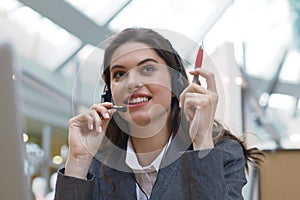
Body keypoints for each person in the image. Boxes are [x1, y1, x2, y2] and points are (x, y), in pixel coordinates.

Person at [54, 27, 262, 200]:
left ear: (176, 83)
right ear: (108, 94)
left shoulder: (221, 153)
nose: (132, 83)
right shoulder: (97, 161)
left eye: (147, 69)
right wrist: (78, 162)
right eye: (119, 74)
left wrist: (201, 143)